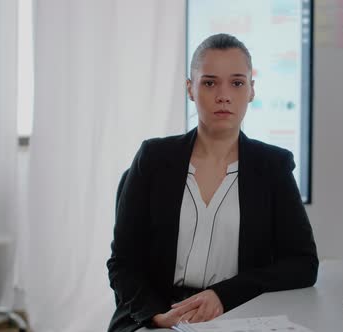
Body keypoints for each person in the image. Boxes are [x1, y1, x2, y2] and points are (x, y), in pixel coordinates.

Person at [107, 33, 318, 332]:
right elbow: (122, 263)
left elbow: (303, 264)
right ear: (190, 89)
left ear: (252, 90)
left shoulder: (273, 166)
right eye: (209, 82)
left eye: (236, 82)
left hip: (236, 311)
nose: (224, 95)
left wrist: (225, 293)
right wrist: (157, 316)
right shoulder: (153, 158)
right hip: (156, 316)